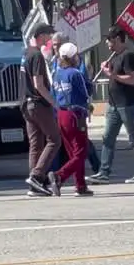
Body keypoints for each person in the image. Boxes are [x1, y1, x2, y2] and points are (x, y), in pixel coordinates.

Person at [91, 26, 134, 184]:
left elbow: (132, 79)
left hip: (128, 105)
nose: (107, 44)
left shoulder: (128, 56)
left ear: (117, 39)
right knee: (108, 138)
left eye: (109, 41)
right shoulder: (115, 57)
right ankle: (104, 172)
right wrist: (109, 70)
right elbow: (116, 76)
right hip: (113, 105)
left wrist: (111, 74)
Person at [21, 23, 61, 196]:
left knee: (36, 145)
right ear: (42, 35)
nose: (50, 39)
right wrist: (54, 103)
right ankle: (37, 176)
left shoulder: (26, 53)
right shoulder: (36, 55)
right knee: (54, 139)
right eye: (49, 35)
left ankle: (34, 185)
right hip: (38, 104)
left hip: (25, 104)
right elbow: (38, 84)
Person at [51, 43, 94, 197]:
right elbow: (86, 93)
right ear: (72, 57)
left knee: (73, 152)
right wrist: (88, 77)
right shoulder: (76, 73)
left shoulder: (57, 73)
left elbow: (53, 94)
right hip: (75, 114)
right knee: (81, 152)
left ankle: (80, 185)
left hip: (61, 113)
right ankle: (59, 176)